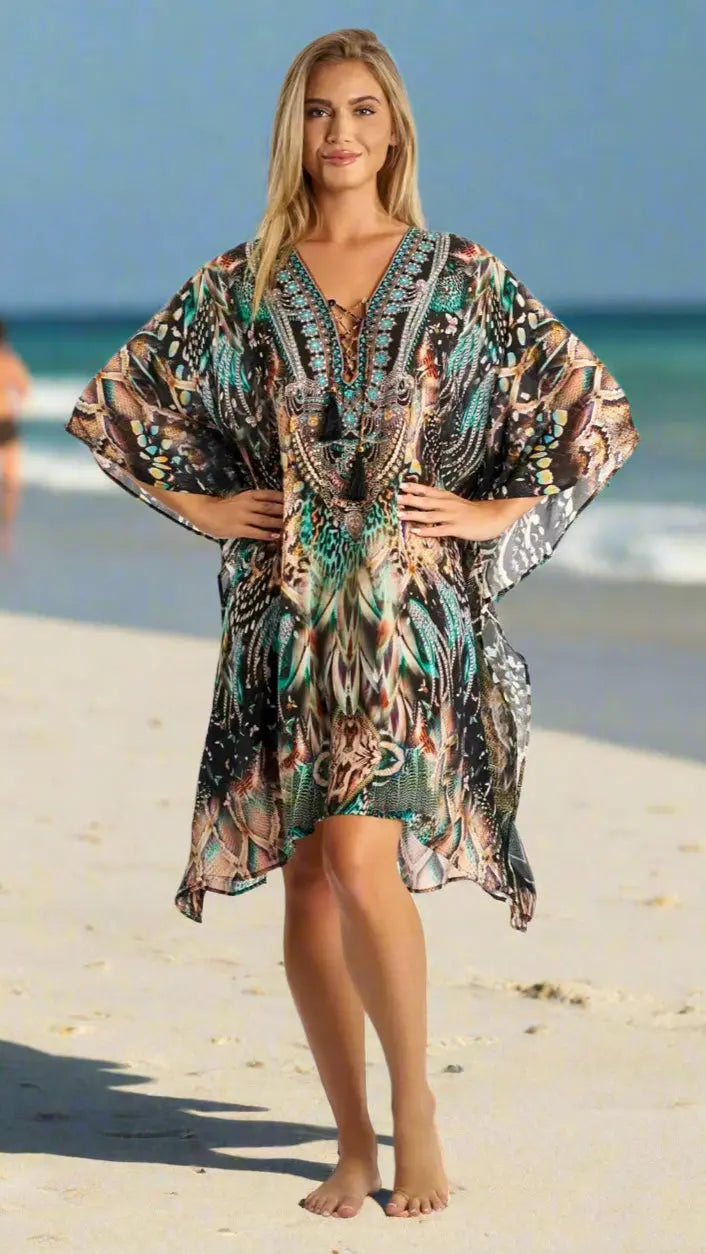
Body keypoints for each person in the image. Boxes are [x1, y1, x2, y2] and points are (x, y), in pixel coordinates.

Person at [65, 27, 640, 1222]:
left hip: (400, 622)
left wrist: (488, 511)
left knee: (367, 858)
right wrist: (212, 505)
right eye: (321, 112)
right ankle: (347, 1140)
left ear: (395, 130)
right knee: (312, 885)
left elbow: (589, 402)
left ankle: (414, 1111)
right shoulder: (243, 281)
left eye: (363, 111)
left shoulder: (458, 273)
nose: (340, 134)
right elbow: (115, 406)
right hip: (284, 619)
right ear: (297, 131)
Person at [0, 319, 30, 553]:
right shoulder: (9, 360)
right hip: (7, 421)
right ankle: (6, 528)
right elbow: (24, 389)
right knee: (11, 480)